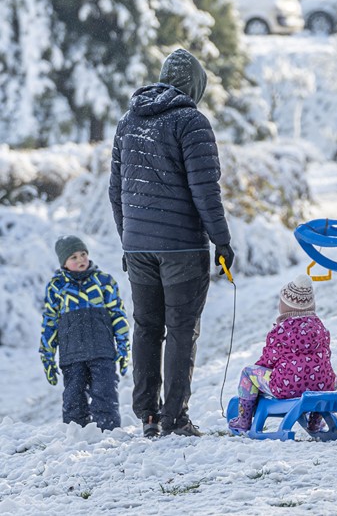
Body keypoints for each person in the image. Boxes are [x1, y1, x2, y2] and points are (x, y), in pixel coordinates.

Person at [109, 48, 234, 438]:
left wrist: (128, 241)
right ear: (194, 85)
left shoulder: (130, 120)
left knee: (147, 327)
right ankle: (174, 417)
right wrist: (222, 242)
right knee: (181, 329)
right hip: (181, 248)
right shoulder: (190, 121)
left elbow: (117, 191)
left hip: (138, 247)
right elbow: (205, 190)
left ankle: (147, 413)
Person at [39, 235, 131, 431]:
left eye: (83, 254)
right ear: (63, 262)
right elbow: (50, 323)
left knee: (105, 393)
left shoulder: (103, 282)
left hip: (102, 351)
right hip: (72, 355)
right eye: (73, 257)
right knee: (73, 398)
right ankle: (77, 435)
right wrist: (47, 354)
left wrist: (123, 346)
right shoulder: (57, 287)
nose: (80, 259)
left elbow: (118, 315)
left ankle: (108, 432)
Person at [228, 276, 337, 433]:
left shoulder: (280, 331)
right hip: (321, 386)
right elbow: (326, 357)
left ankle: (244, 420)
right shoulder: (321, 328)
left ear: (286, 306)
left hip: (287, 387)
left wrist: (259, 372)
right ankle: (315, 421)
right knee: (334, 380)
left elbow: (268, 360)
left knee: (248, 373)